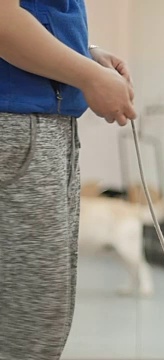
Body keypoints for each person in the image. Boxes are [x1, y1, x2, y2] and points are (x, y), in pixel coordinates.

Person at [0, 1, 136, 359]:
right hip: (16, 124)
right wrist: (89, 76)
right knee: (27, 328)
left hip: (40, 126)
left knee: (39, 319)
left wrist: (82, 52)